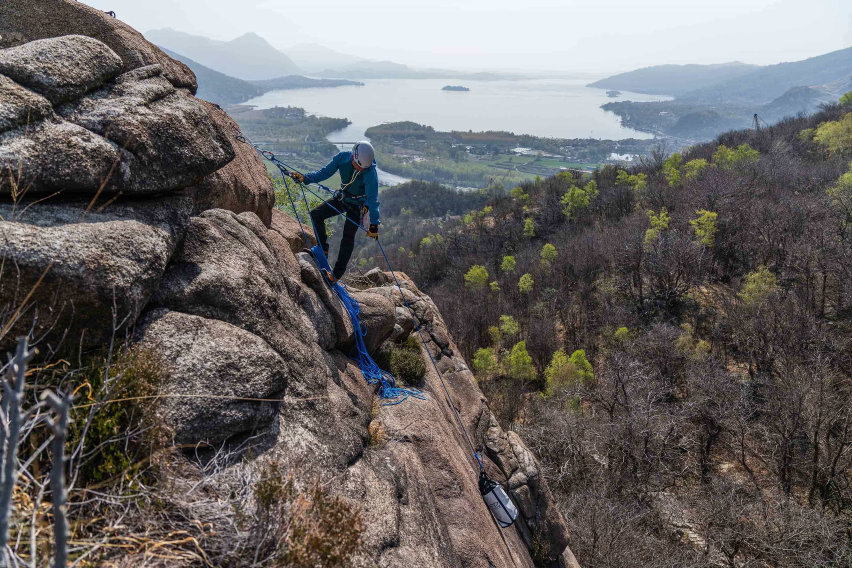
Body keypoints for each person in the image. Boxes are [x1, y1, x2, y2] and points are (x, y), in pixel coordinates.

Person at [289, 141, 380, 284]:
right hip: (343, 197)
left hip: (357, 206)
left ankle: (335, 276)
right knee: (316, 214)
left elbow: (373, 200)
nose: (361, 169)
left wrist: (374, 224)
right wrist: (305, 178)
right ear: (352, 157)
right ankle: (322, 249)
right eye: (358, 165)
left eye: (364, 167)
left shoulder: (370, 172)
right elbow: (324, 172)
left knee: (347, 239)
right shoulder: (341, 158)